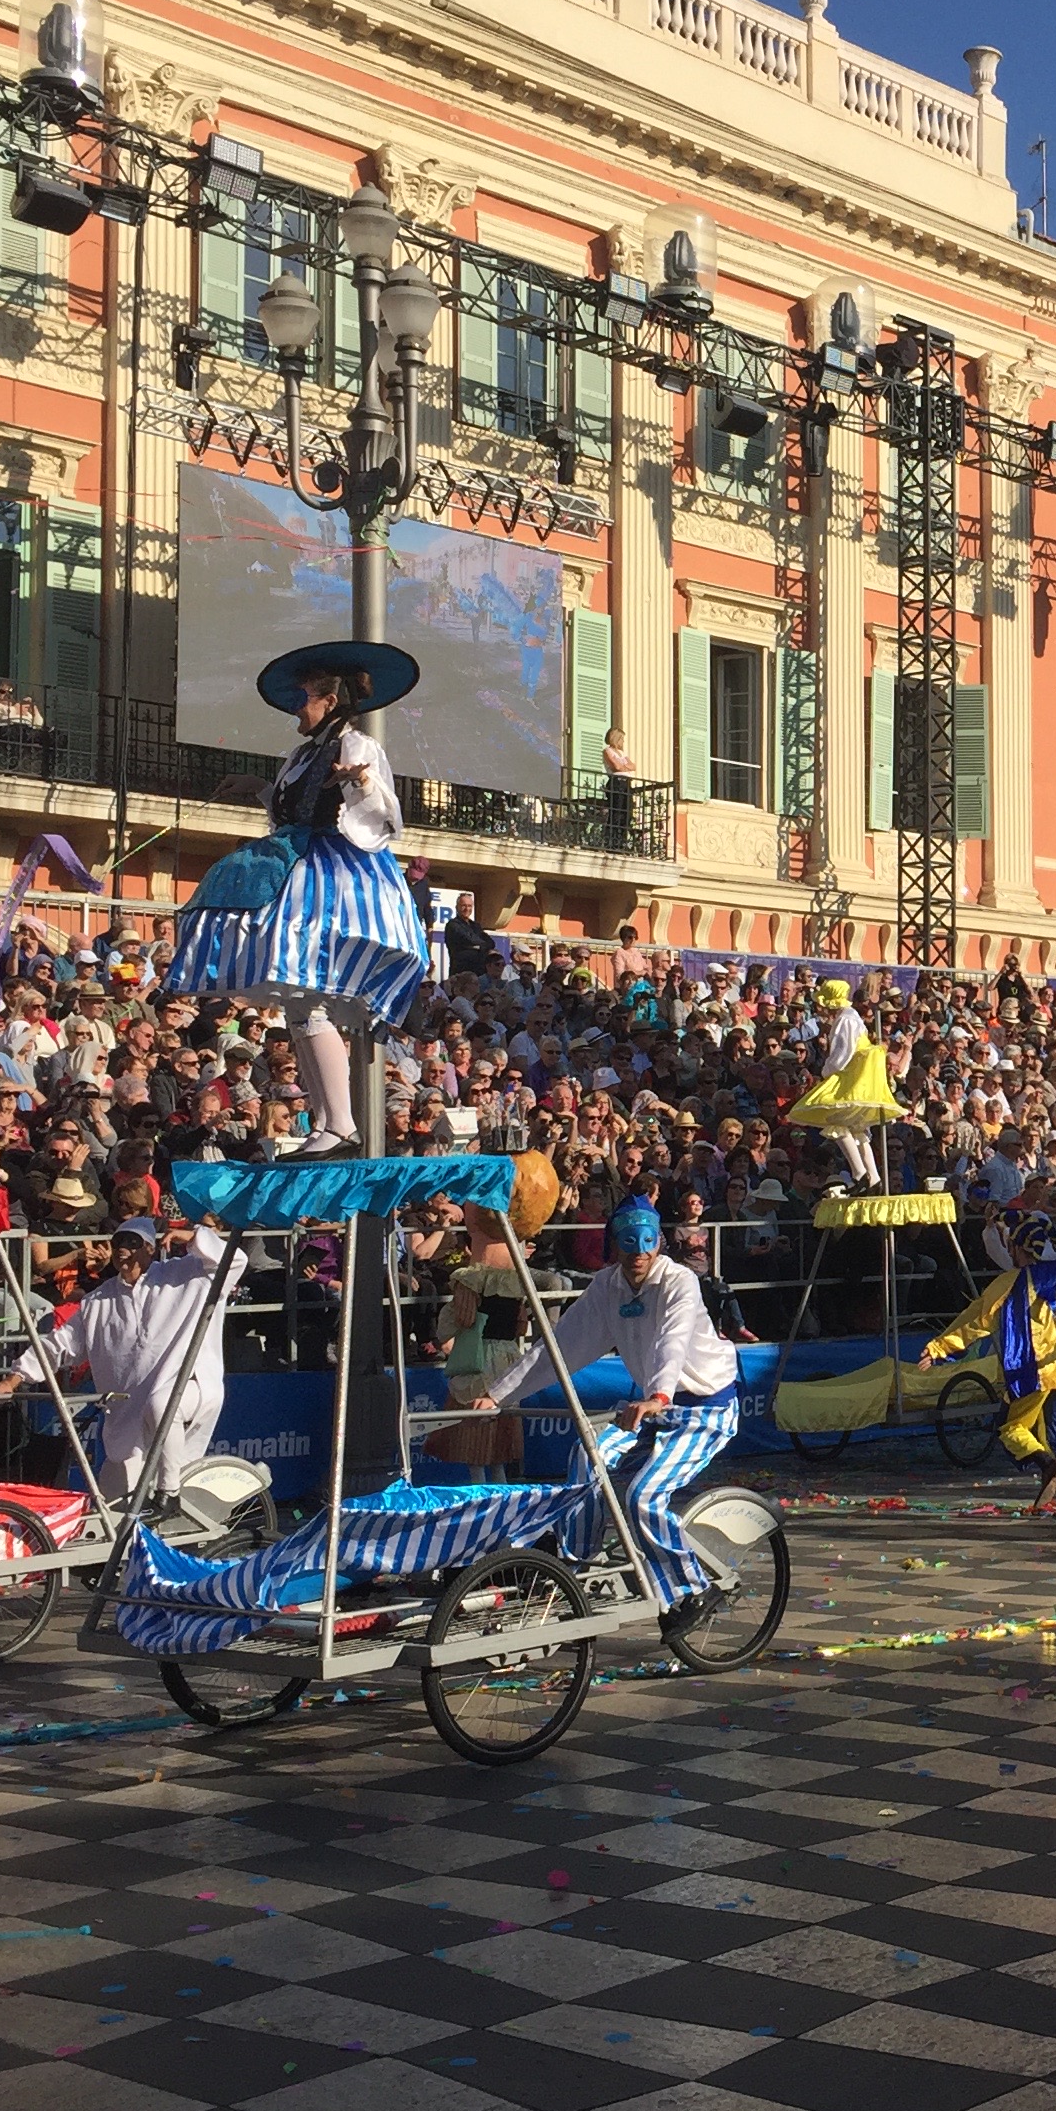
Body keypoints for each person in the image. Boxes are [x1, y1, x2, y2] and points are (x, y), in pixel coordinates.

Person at [162, 643, 432, 1159]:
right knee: (300, 1002)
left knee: (309, 997)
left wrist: (361, 781)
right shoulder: (303, 755)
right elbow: (297, 806)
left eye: (303, 698)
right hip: (303, 871)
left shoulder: (356, 744)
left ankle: (341, 1125)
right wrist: (260, 787)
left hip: (335, 879)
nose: (296, 710)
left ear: (329, 700)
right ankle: (330, 1123)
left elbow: (384, 813)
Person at [459, 1199, 740, 1615]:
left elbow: (673, 1340)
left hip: (702, 1409)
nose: (639, 1253)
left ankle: (692, 1591)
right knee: (586, 1455)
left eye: (647, 1241)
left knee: (642, 1497)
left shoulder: (679, 1281)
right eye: (628, 1242)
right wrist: (499, 1395)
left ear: (659, 1242)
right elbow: (559, 1347)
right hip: (650, 1407)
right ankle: (576, 1564)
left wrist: (658, 1395)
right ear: (614, 1244)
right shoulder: (607, 1287)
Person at [918, 1209, 1056, 1523]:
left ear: (1018, 1248)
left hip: (1030, 1372)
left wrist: (938, 1348)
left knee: (1009, 1428)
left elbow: (973, 1320)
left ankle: (1046, 1464)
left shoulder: (1006, 1284)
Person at [63, 1215, 237, 1504]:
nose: (123, 1249)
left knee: (161, 1404)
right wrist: (15, 1377)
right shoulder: (98, 1301)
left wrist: (196, 1236)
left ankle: (170, 1492)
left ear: (150, 1249)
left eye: (133, 1242)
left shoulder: (185, 1274)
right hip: (131, 1410)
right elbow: (61, 1344)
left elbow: (235, 1261)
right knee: (112, 1503)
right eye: (118, 1242)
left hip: (192, 1386)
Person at [427, 1151, 563, 1479]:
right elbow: (520, 1323)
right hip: (507, 1355)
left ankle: (481, 1492)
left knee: (475, 1437)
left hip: (479, 1355)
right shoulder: (517, 1280)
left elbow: (461, 1318)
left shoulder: (471, 1278)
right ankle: (499, 1489)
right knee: (499, 1436)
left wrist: (446, 1334)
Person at [787, 977, 897, 1193]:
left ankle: (861, 1173)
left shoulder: (845, 1019)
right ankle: (872, 1177)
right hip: (858, 1076)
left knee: (835, 1118)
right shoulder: (849, 1017)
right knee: (855, 1126)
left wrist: (827, 1072)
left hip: (853, 1077)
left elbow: (842, 1053)